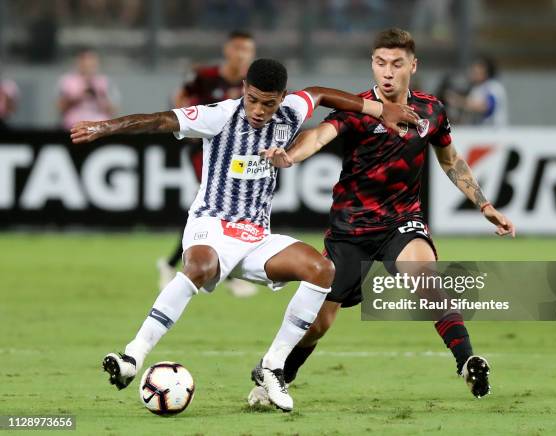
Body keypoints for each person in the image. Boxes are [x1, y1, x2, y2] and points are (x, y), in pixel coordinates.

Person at [70, 58, 416, 412]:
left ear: (283, 97)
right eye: (252, 99)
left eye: (268, 102)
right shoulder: (220, 115)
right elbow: (160, 120)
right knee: (199, 266)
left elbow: (322, 94)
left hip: (256, 237)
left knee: (322, 270)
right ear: (243, 91)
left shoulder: (292, 111)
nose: (259, 110)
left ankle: (272, 366)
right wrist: (104, 127)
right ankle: (133, 355)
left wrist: (379, 110)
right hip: (211, 226)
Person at [251, 29, 515, 406]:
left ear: (413, 65)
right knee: (318, 325)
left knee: (425, 279)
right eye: (380, 63)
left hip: (401, 223)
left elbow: (450, 159)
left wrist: (485, 206)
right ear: (372, 65)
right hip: (350, 231)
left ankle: (467, 361)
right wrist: (291, 156)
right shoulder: (356, 110)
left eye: (396, 64)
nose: (387, 72)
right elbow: (318, 137)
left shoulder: (431, 110)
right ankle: (277, 376)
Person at [158, 31, 258, 297]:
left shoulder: (254, 81)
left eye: (247, 50)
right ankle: (226, 272)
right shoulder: (205, 76)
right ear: (227, 50)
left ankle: (173, 264)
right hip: (205, 150)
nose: (241, 54)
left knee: (211, 205)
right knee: (217, 200)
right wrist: (188, 128)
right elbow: (178, 97)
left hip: (236, 152)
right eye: (237, 48)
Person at [57, 49, 119, 130]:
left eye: (91, 62)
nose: (88, 65)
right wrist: (78, 97)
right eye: (85, 61)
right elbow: (60, 107)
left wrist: (98, 96)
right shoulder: (67, 81)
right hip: (73, 127)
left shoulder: (105, 82)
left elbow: (113, 110)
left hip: (99, 129)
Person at [446, 55, 508, 126]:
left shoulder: (493, 86)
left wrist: (458, 101)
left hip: (495, 133)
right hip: (481, 133)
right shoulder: (476, 89)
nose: (472, 74)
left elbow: (486, 106)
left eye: (477, 71)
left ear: (486, 72)